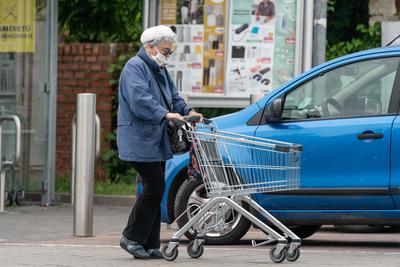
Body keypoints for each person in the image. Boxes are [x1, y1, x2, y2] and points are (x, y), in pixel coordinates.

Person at [117, 25, 202, 260]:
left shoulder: (160, 69)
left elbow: (174, 97)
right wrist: (165, 114)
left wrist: (188, 110)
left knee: (154, 188)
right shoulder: (135, 67)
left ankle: (150, 243)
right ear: (149, 47)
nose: (167, 55)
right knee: (154, 187)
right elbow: (139, 99)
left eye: (170, 52)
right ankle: (132, 238)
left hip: (155, 140)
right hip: (139, 138)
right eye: (165, 51)